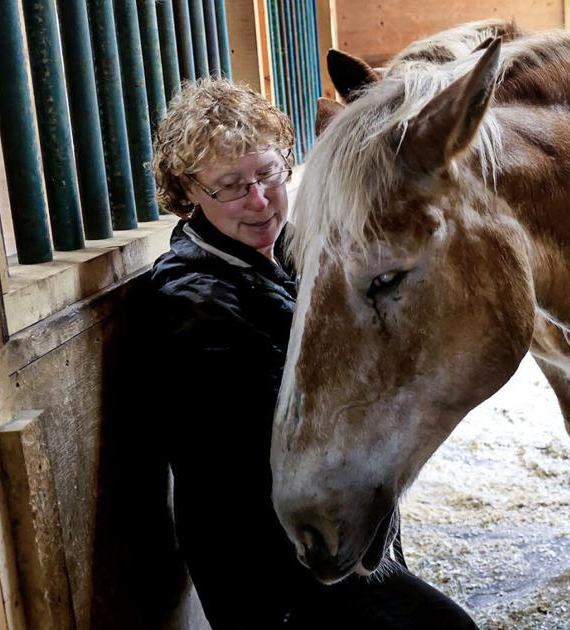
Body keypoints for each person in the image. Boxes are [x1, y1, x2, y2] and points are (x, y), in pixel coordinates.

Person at [147, 78, 476, 629]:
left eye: (268, 173)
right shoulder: (191, 301)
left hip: (328, 542)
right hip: (274, 570)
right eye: (230, 185)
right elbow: (292, 436)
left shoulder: (294, 253)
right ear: (189, 192)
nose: (258, 200)